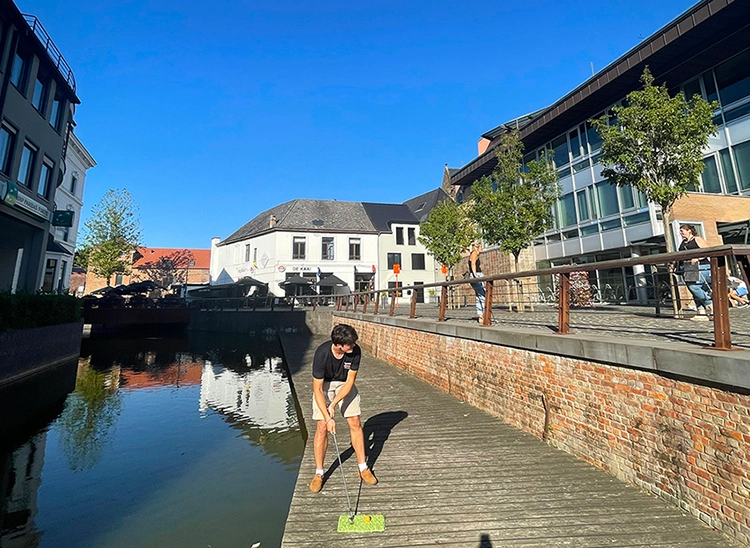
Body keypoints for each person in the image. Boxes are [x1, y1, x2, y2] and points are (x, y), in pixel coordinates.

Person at [309, 324, 377, 493]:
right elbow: (317, 389)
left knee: (355, 422)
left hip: (344, 385)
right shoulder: (322, 354)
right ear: (340, 345)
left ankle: (363, 468)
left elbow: (350, 382)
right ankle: (319, 473)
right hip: (324, 386)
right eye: (350, 345)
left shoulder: (355, 352)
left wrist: (332, 405)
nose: (354, 346)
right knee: (322, 427)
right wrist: (328, 416)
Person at [677, 224, 712, 320]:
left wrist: (698, 258)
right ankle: (701, 313)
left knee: (693, 286)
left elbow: (707, 250)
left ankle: (710, 304)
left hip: (702, 266)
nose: (680, 233)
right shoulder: (683, 243)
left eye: (682, 230)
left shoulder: (697, 239)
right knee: (696, 290)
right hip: (689, 268)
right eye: (680, 231)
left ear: (689, 231)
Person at [469, 240, 486, 324]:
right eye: (481, 247)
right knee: (483, 296)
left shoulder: (475, 253)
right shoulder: (474, 253)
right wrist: (475, 274)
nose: (482, 248)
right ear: (477, 247)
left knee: (479, 296)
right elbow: (473, 264)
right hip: (476, 275)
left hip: (476, 275)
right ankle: (484, 314)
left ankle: (481, 316)